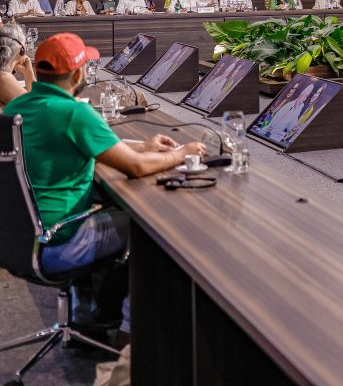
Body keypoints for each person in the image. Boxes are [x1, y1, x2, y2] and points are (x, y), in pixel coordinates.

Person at [8, 33, 205, 335]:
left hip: (16, 241)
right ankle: (130, 332)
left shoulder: (18, 109)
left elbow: (81, 149)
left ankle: (88, 312)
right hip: (60, 243)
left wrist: (144, 146)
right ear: (78, 73)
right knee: (150, 226)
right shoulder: (75, 112)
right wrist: (183, 153)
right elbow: (136, 168)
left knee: (108, 201)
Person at [0, 23, 33, 108]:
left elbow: (28, 96)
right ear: (22, 49)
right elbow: (35, 106)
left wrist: (28, 75)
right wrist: (30, 76)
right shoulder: (3, 78)